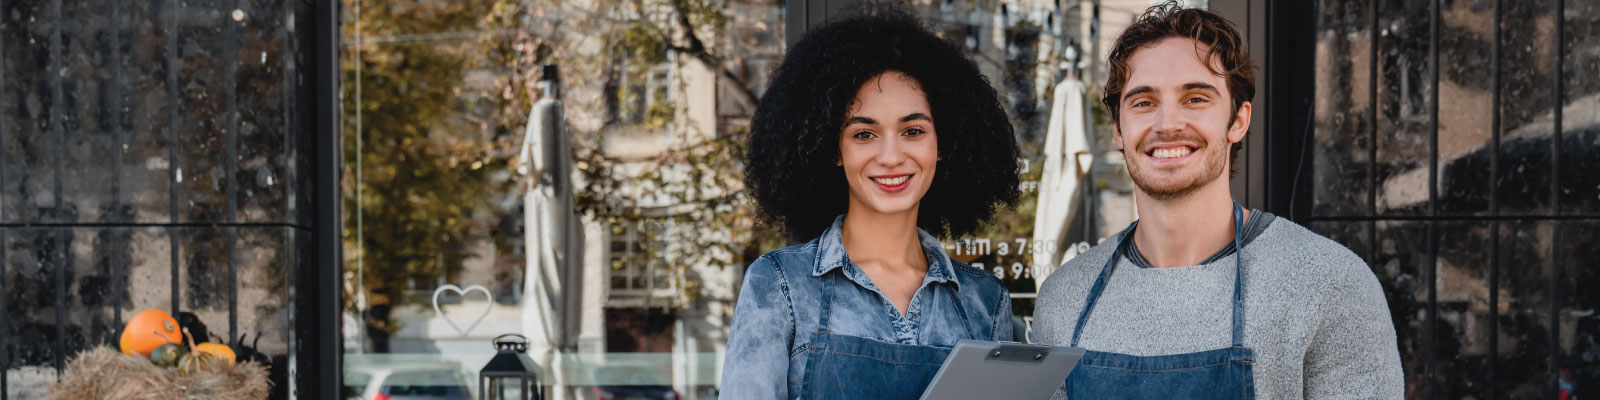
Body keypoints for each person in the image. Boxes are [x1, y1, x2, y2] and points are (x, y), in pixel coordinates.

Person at [1031, 2, 1404, 399]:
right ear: (1118, 130)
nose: (1168, 124)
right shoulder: (1064, 299)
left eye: (1195, 99)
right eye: (1143, 102)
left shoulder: (1329, 284)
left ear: (1238, 120)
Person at [720, 4, 1022, 399]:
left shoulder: (985, 301)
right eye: (864, 134)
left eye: (913, 131)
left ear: (943, 144)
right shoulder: (780, 285)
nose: (891, 157)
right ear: (834, 149)